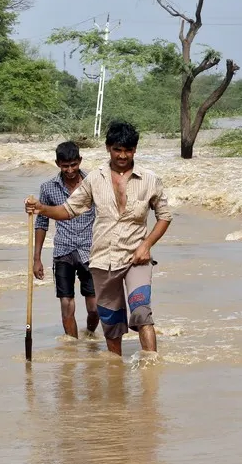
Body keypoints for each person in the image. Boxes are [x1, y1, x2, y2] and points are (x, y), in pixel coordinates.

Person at [25, 121, 173, 357]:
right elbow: (68, 210)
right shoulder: (95, 179)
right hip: (103, 260)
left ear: (135, 150)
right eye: (117, 150)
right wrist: (41, 208)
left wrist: (146, 245)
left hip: (137, 258)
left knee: (142, 311)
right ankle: (116, 373)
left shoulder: (150, 179)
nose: (123, 156)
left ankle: (150, 373)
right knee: (111, 323)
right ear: (108, 148)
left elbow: (164, 216)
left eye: (128, 150)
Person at [33, 141, 99, 339]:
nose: (70, 170)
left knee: (95, 307)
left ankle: (89, 334)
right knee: (66, 303)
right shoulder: (48, 188)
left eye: (73, 165)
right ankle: (72, 348)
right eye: (65, 166)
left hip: (91, 252)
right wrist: (36, 258)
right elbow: (41, 223)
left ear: (80, 161)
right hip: (63, 251)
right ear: (57, 163)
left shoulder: (93, 183)